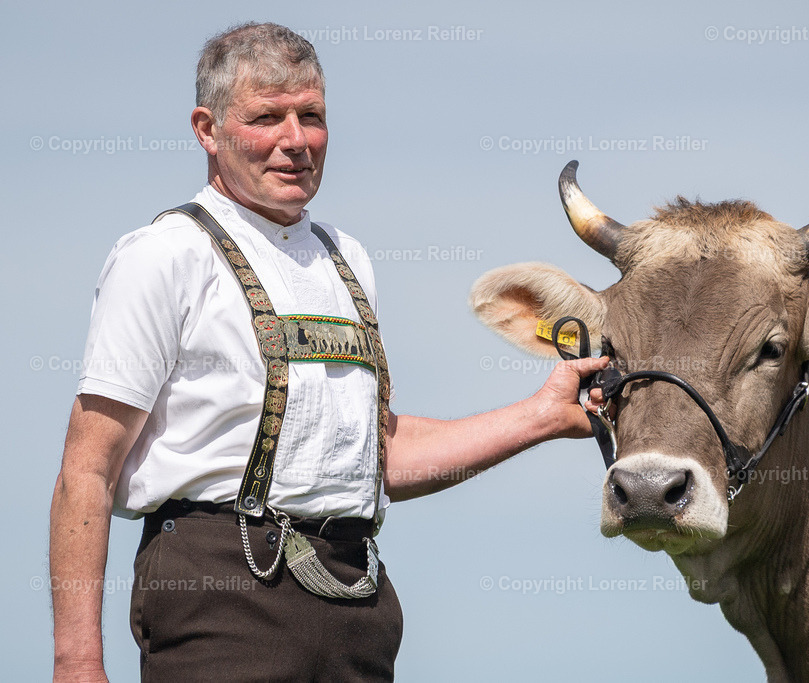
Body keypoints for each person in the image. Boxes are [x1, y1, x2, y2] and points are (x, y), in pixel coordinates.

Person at [49, 22, 607, 682]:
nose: (295, 140)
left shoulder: (347, 259)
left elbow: (379, 454)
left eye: (310, 116)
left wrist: (541, 416)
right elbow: (86, 469)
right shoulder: (163, 255)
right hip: (219, 596)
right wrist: (77, 664)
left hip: (355, 602)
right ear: (208, 128)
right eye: (266, 117)